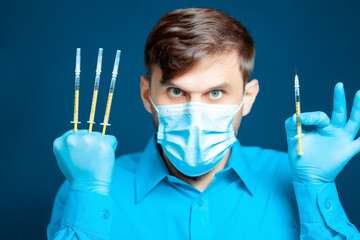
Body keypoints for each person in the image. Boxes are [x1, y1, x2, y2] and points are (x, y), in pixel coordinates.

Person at [47, 8, 360, 239]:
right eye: (176, 91)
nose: (194, 113)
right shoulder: (90, 186)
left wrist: (316, 186)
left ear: (248, 97)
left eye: (215, 93)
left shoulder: (295, 179)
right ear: (147, 94)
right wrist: (89, 190)